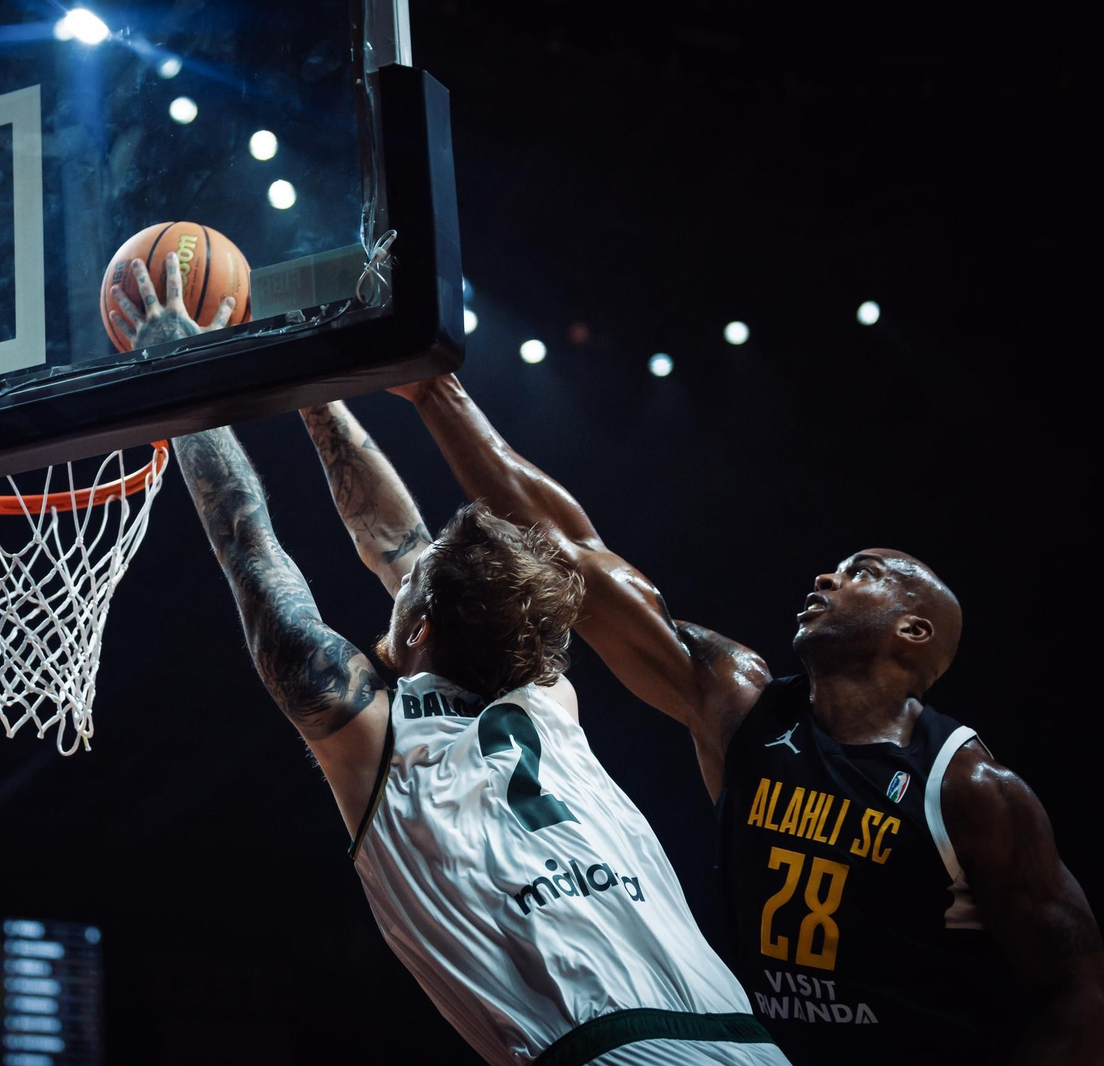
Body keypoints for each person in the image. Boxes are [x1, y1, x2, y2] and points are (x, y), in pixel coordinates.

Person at [109, 253, 790, 1065]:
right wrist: (311, 395)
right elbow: (379, 547)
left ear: (423, 625)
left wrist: (176, 364)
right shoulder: (546, 695)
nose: (403, 557)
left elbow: (248, 543)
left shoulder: (379, 744)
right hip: (751, 1043)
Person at [385, 372, 1104, 1064]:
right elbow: (574, 551)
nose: (829, 576)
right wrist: (434, 392)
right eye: (836, 566)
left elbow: (1079, 997)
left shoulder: (970, 787)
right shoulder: (740, 702)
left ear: (913, 632)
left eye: (865, 573)